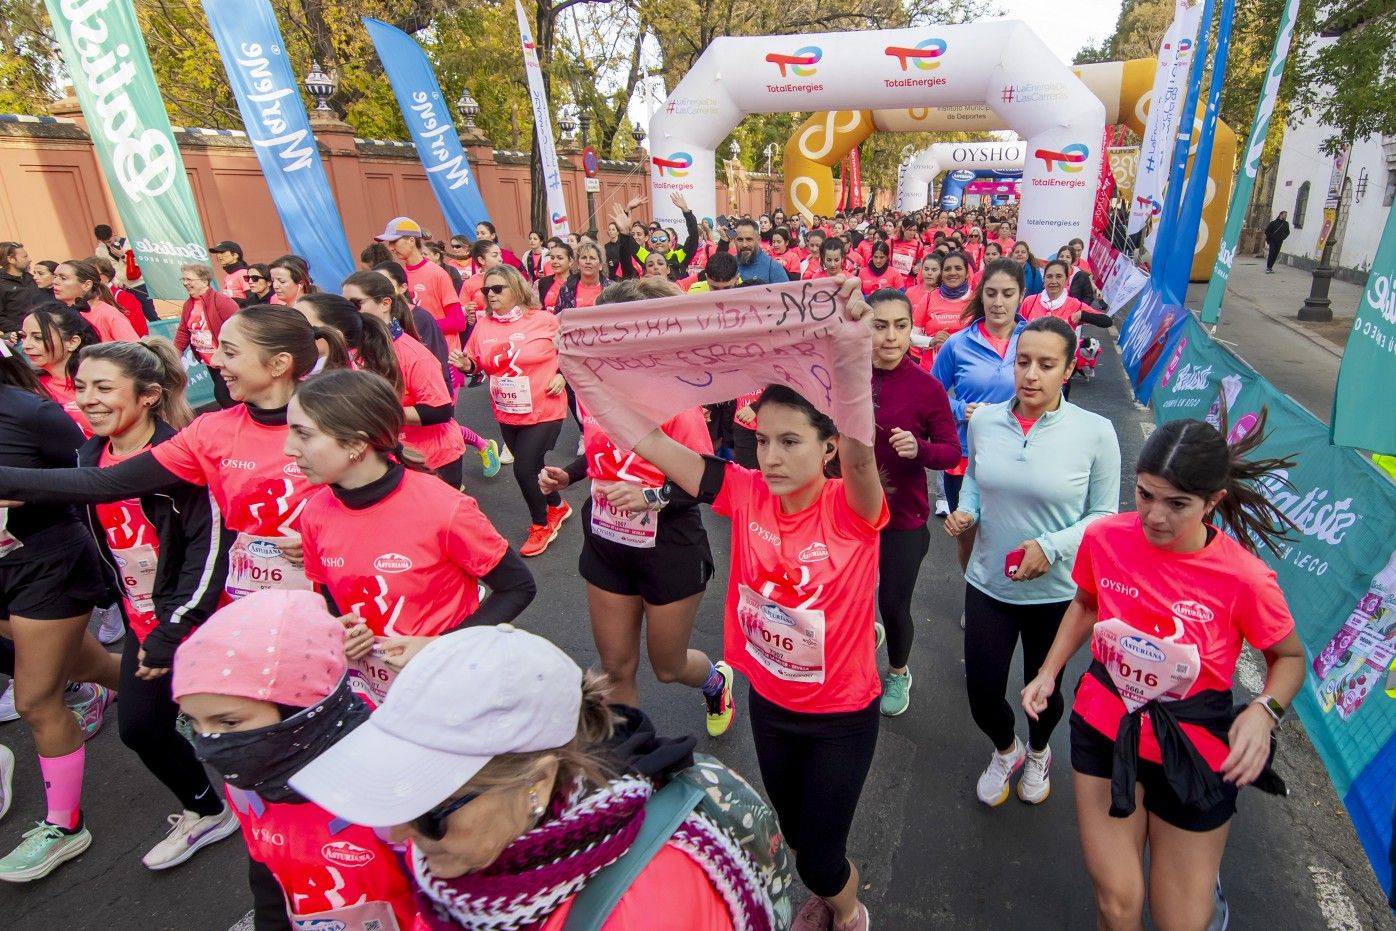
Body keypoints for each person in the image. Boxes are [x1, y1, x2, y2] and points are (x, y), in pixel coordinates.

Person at [578, 278, 884, 931]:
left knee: (824, 861)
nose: (769, 456)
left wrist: (851, 363)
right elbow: (657, 446)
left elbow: (862, 447)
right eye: (763, 439)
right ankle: (826, 890)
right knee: (798, 836)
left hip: (840, 715)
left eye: (790, 441)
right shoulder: (745, 491)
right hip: (770, 705)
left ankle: (850, 912)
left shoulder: (853, 509)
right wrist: (589, 381)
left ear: (827, 447)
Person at [290, 625, 786, 931]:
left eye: (429, 811)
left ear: (539, 782)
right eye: (394, 794)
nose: (399, 835)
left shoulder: (649, 908)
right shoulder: (468, 873)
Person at [1022, 414, 1305, 931]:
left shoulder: (1244, 577)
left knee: (1180, 922)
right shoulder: (1106, 537)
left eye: (1177, 504)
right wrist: (1048, 671)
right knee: (1117, 904)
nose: (1153, 516)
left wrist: (1265, 712)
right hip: (1107, 728)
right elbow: (1086, 603)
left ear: (1212, 502)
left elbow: (1288, 657)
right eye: (1145, 494)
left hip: (1194, 749)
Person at [0, 306, 352, 605]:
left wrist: (333, 540)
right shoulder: (209, 430)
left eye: (229, 351)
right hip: (245, 605)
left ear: (278, 363)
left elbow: (393, 505)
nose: (214, 360)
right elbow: (108, 481)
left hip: (342, 601)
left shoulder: (342, 419)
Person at [68, 339, 240, 869]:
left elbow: (208, 552)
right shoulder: (88, 456)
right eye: (80, 388)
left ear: (148, 396)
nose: (88, 400)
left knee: (245, 737)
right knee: (141, 728)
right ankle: (207, 811)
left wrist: (176, 625)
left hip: (208, 620)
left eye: (103, 388)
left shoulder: (184, 457)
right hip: (143, 619)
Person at [539, 277, 734, 736]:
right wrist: (571, 472)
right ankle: (626, 764)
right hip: (607, 543)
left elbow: (706, 482)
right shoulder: (593, 391)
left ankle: (715, 681)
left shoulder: (678, 406)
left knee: (667, 666)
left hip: (669, 548)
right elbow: (605, 449)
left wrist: (652, 497)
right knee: (614, 668)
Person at [943, 316, 1120, 807]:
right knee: (981, 692)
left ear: (1067, 370)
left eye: (1046, 365)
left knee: (1041, 692)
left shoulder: (1096, 433)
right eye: (1023, 362)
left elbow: (1105, 515)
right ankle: (1007, 750)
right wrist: (967, 510)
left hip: (1058, 593)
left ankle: (1039, 750)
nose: (1031, 375)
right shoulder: (984, 421)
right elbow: (976, 479)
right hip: (988, 582)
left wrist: (1053, 547)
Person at [172, 590, 420, 929]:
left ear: (306, 708)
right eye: (193, 723)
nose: (208, 747)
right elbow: (270, 888)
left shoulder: (402, 790)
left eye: (229, 723)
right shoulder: (250, 788)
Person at [290, 370, 534, 667]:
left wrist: (439, 647)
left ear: (357, 444)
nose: (288, 448)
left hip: (448, 683)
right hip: (368, 692)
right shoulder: (315, 510)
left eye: (303, 434)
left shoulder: (445, 508)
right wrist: (339, 629)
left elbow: (518, 587)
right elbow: (329, 595)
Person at [0, 338, 119, 881]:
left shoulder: (29, 411)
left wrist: (26, 489)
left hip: (47, 564)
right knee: (87, 665)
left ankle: (64, 827)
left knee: (35, 699)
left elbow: (91, 479)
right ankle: (179, 692)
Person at [865, 290, 960, 717]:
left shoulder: (927, 388)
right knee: (848, 596)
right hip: (848, 512)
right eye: (879, 325)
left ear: (911, 329)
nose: (889, 336)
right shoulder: (844, 375)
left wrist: (920, 449)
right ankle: (860, 643)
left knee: (893, 604)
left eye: (899, 326)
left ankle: (898, 672)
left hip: (902, 519)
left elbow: (951, 452)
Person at [453, 264, 571, 556]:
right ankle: (557, 505)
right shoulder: (484, 326)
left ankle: (541, 524)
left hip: (545, 406)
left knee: (523, 468)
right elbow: (477, 363)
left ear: (516, 288)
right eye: (486, 290)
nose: (490, 295)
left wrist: (563, 375)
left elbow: (573, 352)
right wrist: (468, 366)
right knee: (532, 465)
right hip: (508, 410)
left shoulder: (545, 320)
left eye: (497, 289)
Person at [343, 270, 500, 478]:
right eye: (345, 306)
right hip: (390, 455)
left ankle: (483, 445)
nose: (348, 313)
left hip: (432, 457)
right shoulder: (355, 351)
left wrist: (376, 412)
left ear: (385, 303)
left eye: (356, 304)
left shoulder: (414, 354)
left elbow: (441, 412)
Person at [932, 258, 1028, 576]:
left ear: (1021, 295)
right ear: (980, 294)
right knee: (968, 536)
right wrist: (961, 410)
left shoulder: (1034, 341)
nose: (998, 302)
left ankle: (1009, 596)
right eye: (991, 293)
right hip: (966, 455)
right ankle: (974, 591)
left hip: (1022, 454)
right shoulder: (958, 344)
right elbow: (932, 397)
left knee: (1015, 536)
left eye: (1007, 293)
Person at [376, 218, 468, 356]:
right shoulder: (399, 275)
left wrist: (419, 326)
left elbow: (458, 321)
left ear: (412, 241)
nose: (390, 247)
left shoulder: (438, 274)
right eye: (389, 243)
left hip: (445, 356)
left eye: (394, 241)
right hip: (416, 354)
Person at [19, 302, 99, 427]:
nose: (25, 346)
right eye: (23, 336)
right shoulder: (30, 388)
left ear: (72, 342)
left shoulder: (101, 380)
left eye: (38, 337)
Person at [174, 263, 240, 409]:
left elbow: (239, 329)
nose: (185, 283)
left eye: (189, 279)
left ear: (204, 282)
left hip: (227, 360)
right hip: (209, 361)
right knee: (227, 397)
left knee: (224, 395)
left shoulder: (222, 302)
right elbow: (183, 332)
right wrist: (174, 355)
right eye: (183, 279)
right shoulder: (188, 305)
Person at [51, 259, 139, 343]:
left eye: (63, 278)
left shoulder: (108, 314)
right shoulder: (60, 314)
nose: (55, 281)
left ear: (87, 285)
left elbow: (136, 352)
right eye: (54, 276)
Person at [913, 251, 972, 371]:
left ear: (966, 273)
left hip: (965, 373)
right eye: (947, 269)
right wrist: (932, 341)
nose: (952, 273)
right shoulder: (929, 297)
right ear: (942, 273)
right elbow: (911, 336)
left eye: (958, 268)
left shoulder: (976, 300)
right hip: (932, 372)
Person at [93, 224, 155, 322]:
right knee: (132, 318)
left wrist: (123, 256)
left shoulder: (129, 242)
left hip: (139, 284)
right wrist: (117, 283)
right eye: (105, 242)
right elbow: (106, 271)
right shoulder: (100, 251)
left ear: (113, 233)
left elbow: (142, 263)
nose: (109, 244)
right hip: (122, 288)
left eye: (110, 241)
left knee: (151, 315)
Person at [634, 194, 700, 279]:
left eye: (662, 239)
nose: (658, 242)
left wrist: (686, 211)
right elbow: (628, 241)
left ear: (669, 242)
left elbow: (694, 236)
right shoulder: (646, 256)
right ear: (650, 243)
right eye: (654, 240)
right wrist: (627, 211)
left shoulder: (678, 256)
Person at [89, 255, 148, 337]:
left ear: (105, 277)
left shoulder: (123, 297)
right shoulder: (86, 299)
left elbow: (139, 331)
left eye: (91, 273)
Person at [0, 242, 40, 337]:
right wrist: (24, 330)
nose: (30, 260)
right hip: (21, 338)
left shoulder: (31, 278)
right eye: (25, 257)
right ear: (11, 259)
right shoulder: (2, 284)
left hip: (44, 330)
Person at [733, 218, 790, 283]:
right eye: (740, 240)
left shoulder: (773, 268)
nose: (744, 245)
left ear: (759, 240)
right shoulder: (730, 265)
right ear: (735, 241)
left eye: (749, 239)